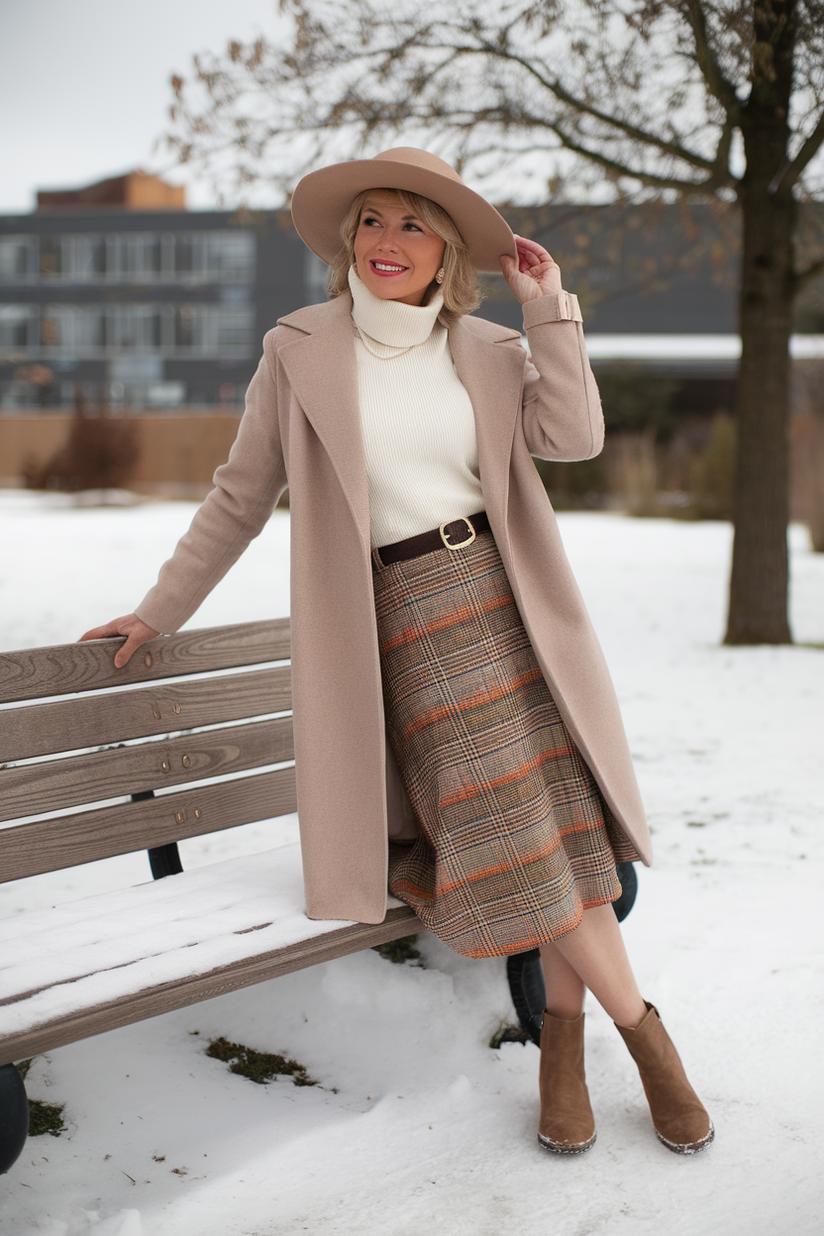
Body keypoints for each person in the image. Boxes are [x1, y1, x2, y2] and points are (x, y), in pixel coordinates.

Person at [81, 147, 713, 1156]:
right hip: (401, 626)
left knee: (556, 841)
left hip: (507, 609)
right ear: (348, 240)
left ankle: (563, 1045)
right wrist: (157, 611)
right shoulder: (298, 351)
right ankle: (648, 1044)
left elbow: (576, 436)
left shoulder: (490, 352)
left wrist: (549, 310)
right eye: (370, 221)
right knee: (517, 834)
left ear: (446, 251)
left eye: (411, 225)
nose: (385, 242)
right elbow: (240, 495)